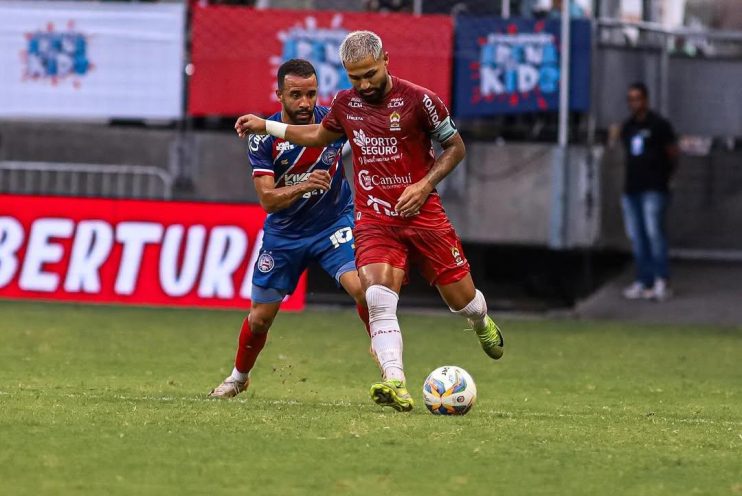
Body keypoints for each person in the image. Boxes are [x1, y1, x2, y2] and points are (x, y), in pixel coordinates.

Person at [235, 31, 504, 412]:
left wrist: (424, 184)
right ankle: (395, 381)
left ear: (386, 60)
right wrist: (267, 126)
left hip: (423, 214)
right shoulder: (345, 105)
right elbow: (315, 134)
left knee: (463, 303)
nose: (363, 84)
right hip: (374, 217)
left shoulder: (421, 100)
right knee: (376, 297)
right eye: (354, 77)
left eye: (370, 74)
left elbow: (455, 148)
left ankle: (480, 322)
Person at [209, 59, 371, 398]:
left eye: (311, 94)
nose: (305, 104)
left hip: (333, 224)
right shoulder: (262, 138)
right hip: (285, 235)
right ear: (280, 94)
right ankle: (239, 377)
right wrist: (305, 186)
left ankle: (390, 366)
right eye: (296, 95)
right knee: (259, 319)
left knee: (364, 290)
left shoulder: (331, 122)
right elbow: (267, 200)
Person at [620, 82, 678, 301]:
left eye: (638, 98)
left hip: (654, 187)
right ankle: (643, 280)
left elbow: (672, 152)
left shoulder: (659, 125)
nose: (634, 103)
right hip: (633, 187)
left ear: (646, 100)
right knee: (637, 236)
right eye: (631, 99)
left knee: (655, 233)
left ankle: (661, 279)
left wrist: (666, 177)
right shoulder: (628, 127)